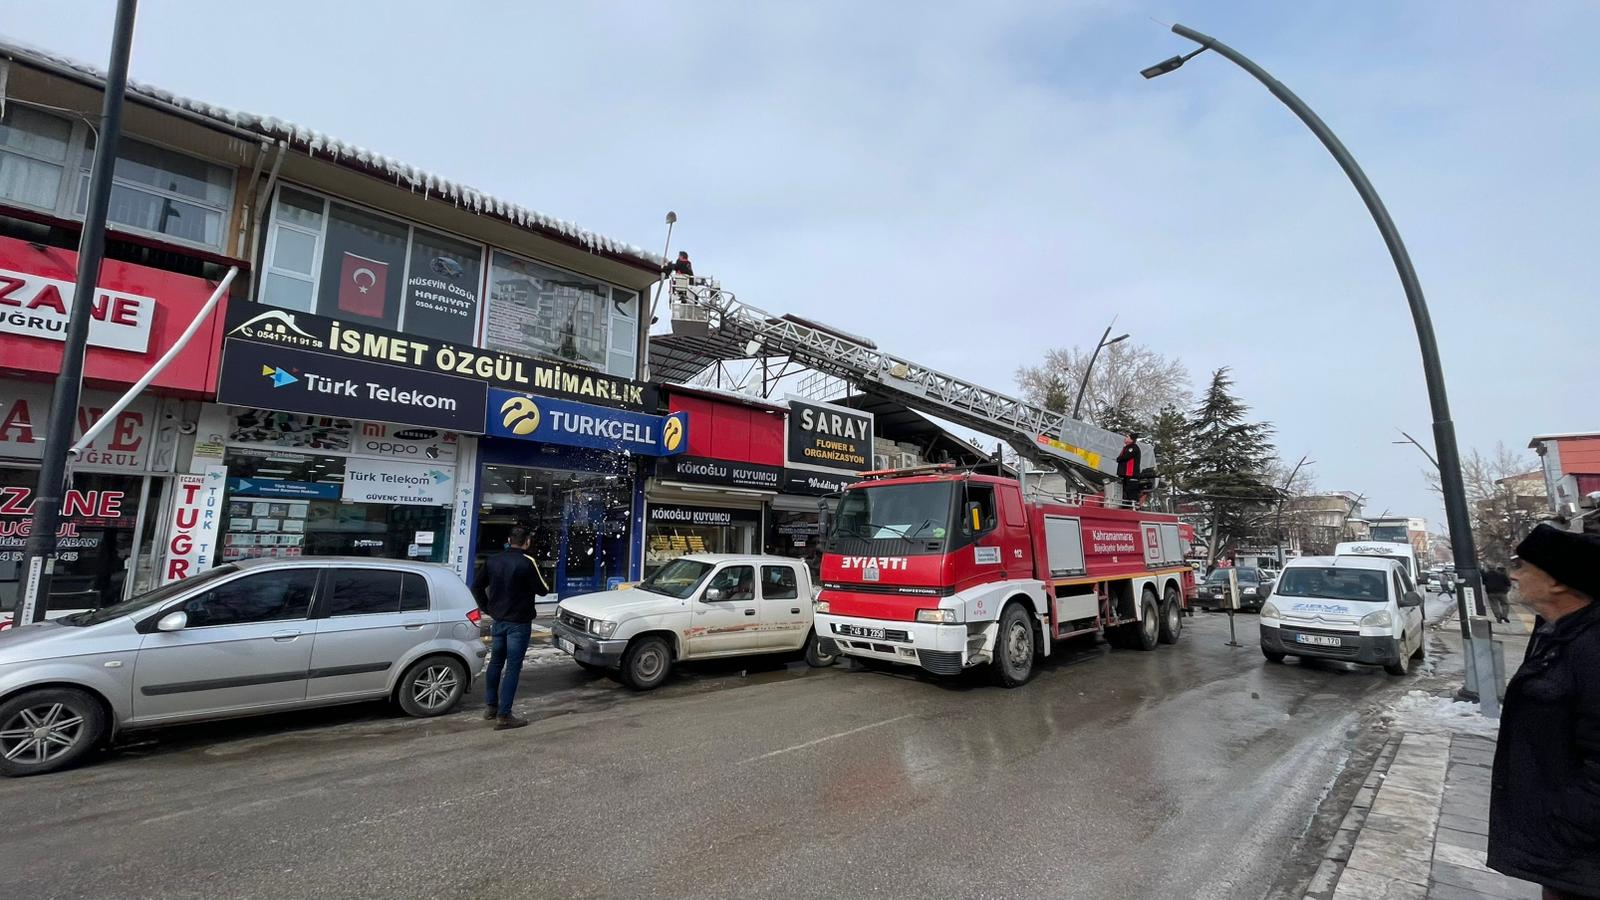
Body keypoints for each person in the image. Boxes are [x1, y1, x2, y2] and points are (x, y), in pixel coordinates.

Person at [1486, 524, 1600, 899]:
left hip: (1582, 855)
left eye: (1524, 567)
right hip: (1569, 856)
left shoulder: (1591, 647)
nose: (1514, 574)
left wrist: (1565, 825)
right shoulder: (1557, 633)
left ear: (1558, 582)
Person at [471, 526, 551, 731]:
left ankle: (491, 707)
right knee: (513, 667)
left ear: (508, 540)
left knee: (496, 663)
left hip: (499, 621)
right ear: (527, 542)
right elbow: (543, 590)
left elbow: (477, 587)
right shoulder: (527, 562)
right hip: (519, 623)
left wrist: (487, 608)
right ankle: (504, 715)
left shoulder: (493, 560)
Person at [1115, 434, 1142, 508]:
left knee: (1131, 490)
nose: (1125, 438)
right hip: (1125, 474)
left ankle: (1134, 506)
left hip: (1131, 474)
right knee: (1125, 491)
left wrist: (1119, 458)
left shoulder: (1133, 448)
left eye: (1127, 437)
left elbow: (1125, 457)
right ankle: (1126, 506)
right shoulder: (1126, 448)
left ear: (1132, 439)